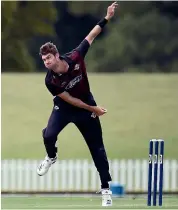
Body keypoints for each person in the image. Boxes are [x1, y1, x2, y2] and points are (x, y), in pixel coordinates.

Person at [37, 2, 118, 206]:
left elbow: (91, 35)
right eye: (43, 60)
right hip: (66, 108)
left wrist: (107, 18)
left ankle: (106, 189)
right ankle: (51, 157)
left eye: (49, 58)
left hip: (86, 105)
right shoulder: (50, 81)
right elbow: (70, 100)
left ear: (56, 55)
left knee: (97, 148)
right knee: (48, 135)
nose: (46, 63)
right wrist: (94, 109)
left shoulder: (75, 56)